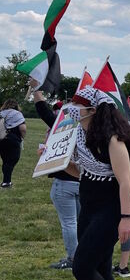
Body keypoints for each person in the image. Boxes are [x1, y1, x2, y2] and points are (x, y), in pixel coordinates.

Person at [64, 86, 130, 280]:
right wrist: (56, 162)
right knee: (102, 267)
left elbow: (125, 181)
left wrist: (126, 218)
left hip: (110, 210)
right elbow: (82, 173)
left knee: (82, 266)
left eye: (78, 107)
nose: (74, 111)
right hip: (90, 207)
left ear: (92, 110)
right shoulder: (82, 135)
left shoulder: (113, 140)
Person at [31, 90, 81, 269]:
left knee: (69, 223)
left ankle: (74, 259)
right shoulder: (88, 131)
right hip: (81, 181)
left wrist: (36, 89)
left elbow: (43, 111)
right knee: (80, 222)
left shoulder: (66, 126)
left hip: (65, 181)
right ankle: (83, 255)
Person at [0, 99, 27, 188]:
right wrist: (23, 137)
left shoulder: (1, 113)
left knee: (5, 160)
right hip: (13, 139)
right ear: (16, 106)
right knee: (12, 160)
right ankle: (6, 182)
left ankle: (6, 181)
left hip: (2, 139)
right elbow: (23, 128)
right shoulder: (17, 114)